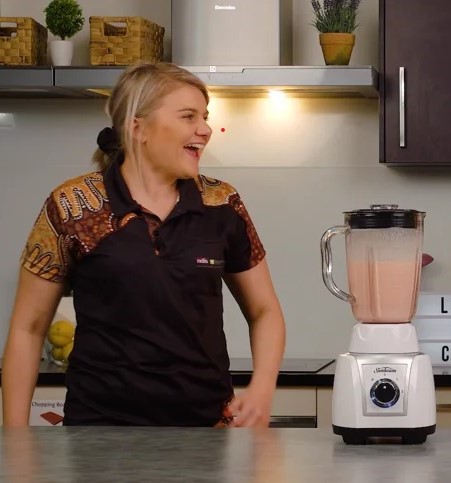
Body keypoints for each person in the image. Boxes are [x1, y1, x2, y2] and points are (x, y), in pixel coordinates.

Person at [1, 62, 287, 427]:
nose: (205, 129)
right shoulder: (72, 205)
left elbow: (265, 312)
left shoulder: (222, 204)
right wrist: (14, 439)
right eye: (188, 116)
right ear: (137, 127)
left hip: (206, 435)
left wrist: (262, 388)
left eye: (204, 116)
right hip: (98, 437)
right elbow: (28, 328)